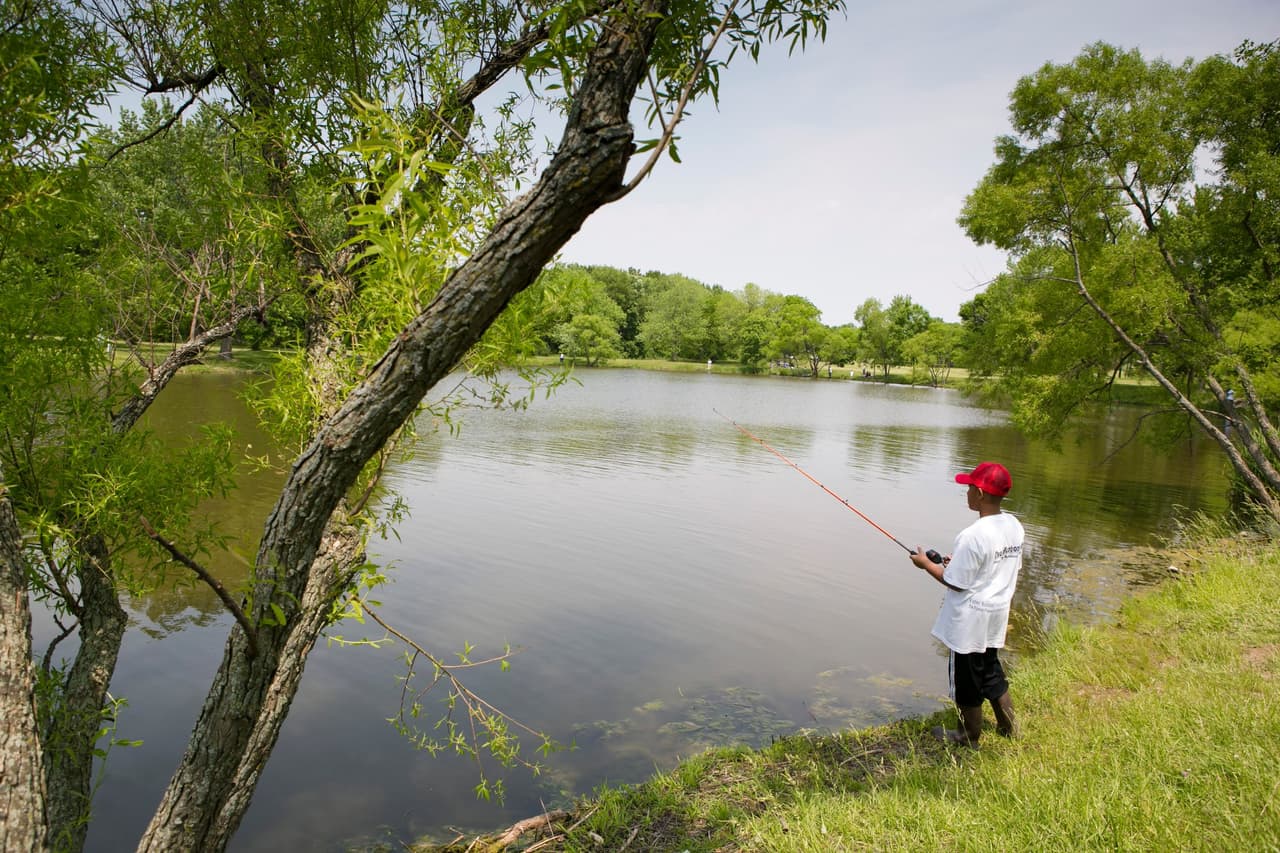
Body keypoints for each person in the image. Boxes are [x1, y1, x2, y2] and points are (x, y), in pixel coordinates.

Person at [910, 461, 1024, 747]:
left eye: (971, 488)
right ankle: (1009, 727)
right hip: (995, 615)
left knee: (966, 682)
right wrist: (956, 563)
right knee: (990, 671)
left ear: (981, 495)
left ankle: (967, 735)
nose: (967, 492)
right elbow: (996, 565)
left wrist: (926, 565)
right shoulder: (1013, 525)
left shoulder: (972, 535)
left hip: (969, 624)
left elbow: (955, 582)